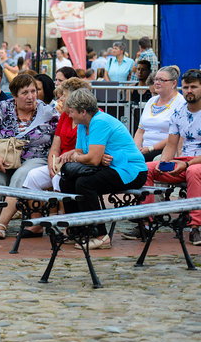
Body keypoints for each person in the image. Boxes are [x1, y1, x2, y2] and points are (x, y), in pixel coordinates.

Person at [57, 87, 148, 249]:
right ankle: (76, 229)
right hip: (113, 167)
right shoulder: (82, 124)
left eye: (71, 112)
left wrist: (86, 158)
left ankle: (100, 235)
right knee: (66, 181)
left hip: (131, 170)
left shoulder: (100, 121)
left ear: (83, 111)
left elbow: (88, 158)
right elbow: (82, 153)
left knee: (85, 183)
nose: (69, 115)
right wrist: (92, 157)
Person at [0, 72, 59, 239]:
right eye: (25, 93)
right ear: (14, 96)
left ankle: (2, 224)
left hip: (36, 157)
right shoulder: (4, 107)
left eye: (33, 91)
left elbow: (60, 136)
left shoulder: (48, 111)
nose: (31, 96)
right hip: (6, 157)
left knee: (21, 175)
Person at [20, 77, 91, 235]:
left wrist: (60, 165)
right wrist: (52, 163)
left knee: (59, 178)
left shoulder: (87, 116)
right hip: (59, 162)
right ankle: (37, 222)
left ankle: (66, 223)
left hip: (78, 163)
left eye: (63, 95)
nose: (60, 99)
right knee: (33, 176)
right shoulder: (65, 116)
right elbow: (55, 146)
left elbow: (87, 150)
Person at [144, 69, 201, 246]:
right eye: (186, 87)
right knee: (146, 168)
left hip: (195, 164)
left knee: (193, 171)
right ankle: (147, 222)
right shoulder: (179, 113)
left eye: (194, 87)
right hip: (183, 161)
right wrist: (163, 162)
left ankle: (195, 226)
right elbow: (171, 144)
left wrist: (188, 164)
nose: (189, 91)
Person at [133, 65, 185, 162]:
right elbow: (140, 131)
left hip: (164, 151)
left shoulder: (181, 103)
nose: (157, 82)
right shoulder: (151, 101)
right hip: (143, 150)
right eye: (156, 79)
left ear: (174, 83)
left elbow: (176, 136)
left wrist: (150, 148)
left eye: (162, 80)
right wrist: (136, 148)